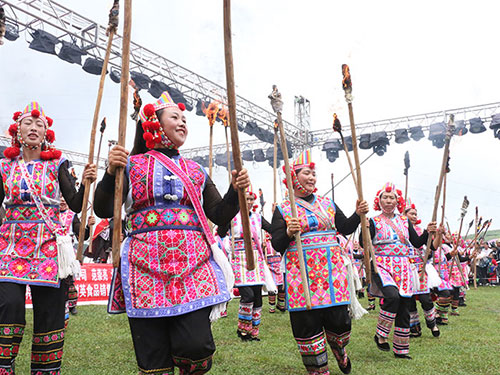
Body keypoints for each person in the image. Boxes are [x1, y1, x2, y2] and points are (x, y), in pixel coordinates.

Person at [93, 91, 249, 375]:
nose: (182, 123)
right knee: (153, 357)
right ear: (154, 123)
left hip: (191, 266)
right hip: (144, 267)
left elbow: (219, 214)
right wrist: (109, 171)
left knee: (197, 346)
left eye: (185, 119)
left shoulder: (196, 171)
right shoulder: (130, 164)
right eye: (175, 117)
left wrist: (235, 191)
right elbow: (103, 209)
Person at [0, 101, 96, 375]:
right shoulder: (4, 166)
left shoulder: (57, 164)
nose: (33, 127)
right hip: (10, 246)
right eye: (28, 123)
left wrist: (87, 181)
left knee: (50, 316)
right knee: (8, 305)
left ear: (46, 134)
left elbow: (76, 204)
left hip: (49, 249)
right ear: (17, 132)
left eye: (39, 124)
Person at [271, 150, 369, 375]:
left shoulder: (328, 203)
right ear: (294, 176)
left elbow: (344, 228)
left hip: (331, 273)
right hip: (301, 274)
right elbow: (277, 243)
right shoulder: (283, 208)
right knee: (307, 325)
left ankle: (339, 349)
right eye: (307, 173)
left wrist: (357, 213)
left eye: (314, 174)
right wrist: (287, 231)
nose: (312, 177)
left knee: (340, 322)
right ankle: (318, 370)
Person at [362, 183, 439, 360]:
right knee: (392, 297)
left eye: (392, 198)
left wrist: (428, 232)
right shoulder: (372, 221)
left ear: (398, 201)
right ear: (379, 200)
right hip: (382, 265)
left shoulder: (404, 221)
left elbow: (417, 242)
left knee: (404, 305)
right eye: (385, 197)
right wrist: (363, 228)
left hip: (404, 266)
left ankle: (401, 349)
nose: (388, 201)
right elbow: (363, 242)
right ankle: (381, 334)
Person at [217, 186, 275, 341]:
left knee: (257, 297)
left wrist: (278, 216)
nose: (249, 202)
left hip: (256, 258)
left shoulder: (257, 217)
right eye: (246, 198)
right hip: (239, 258)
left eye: (251, 199)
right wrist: (226, 215)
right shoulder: (233, 217)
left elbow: (272, 229)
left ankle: (253, 332)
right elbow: (221, 233)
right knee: (247, 295)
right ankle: (243, 330)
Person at [404, 199, 440, 338]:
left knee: (426, 298)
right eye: (411, 213)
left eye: (415, 214)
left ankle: (433, 324)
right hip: (405, 268)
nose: (414, 216)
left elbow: (433, 247)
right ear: (404, 214)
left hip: (420, 268)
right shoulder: (400, 230)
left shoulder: (421, 231)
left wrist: (438, 235)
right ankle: (415, 327)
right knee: (410, 300)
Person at [59, 197, 96, 317]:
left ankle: (71, 305)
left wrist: (88, 226)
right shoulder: (50, 213)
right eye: (59, 198)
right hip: (51, 250)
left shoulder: (71, 215)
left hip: (67, 252)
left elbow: (82, 236)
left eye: (65, 198)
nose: (62, 201)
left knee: (68, 280)